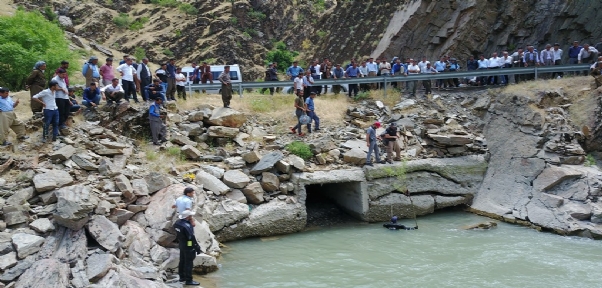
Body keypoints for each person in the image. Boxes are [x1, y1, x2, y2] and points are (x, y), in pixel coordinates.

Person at [172, 210, 202, 286]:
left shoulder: (177, 223)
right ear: (188, 216)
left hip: (181, 243)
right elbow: (191, 238)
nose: (191, 216)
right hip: (188, 244)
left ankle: (182, 277)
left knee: (182, 261)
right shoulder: (187, 226)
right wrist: (196, 247)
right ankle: (189, 280)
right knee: (189, 263)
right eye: (190, 215)